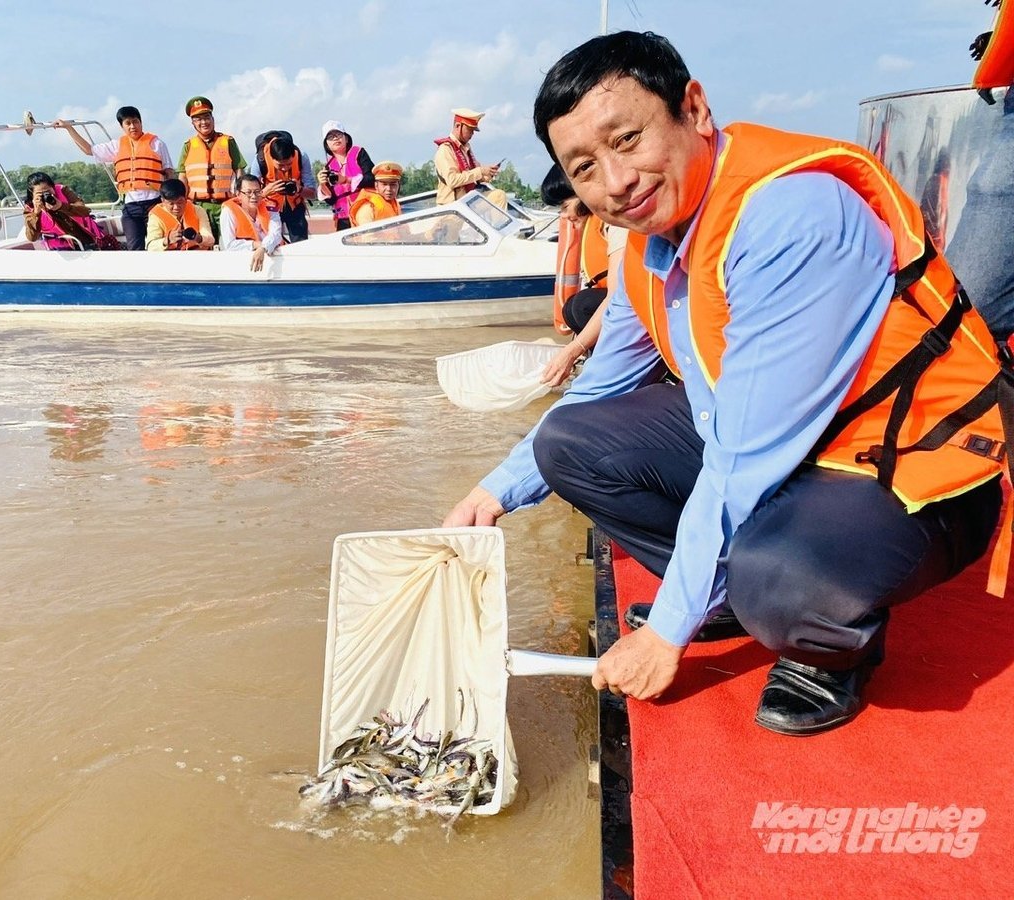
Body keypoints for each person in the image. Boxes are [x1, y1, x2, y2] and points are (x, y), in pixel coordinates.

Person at [443, 31, 1011, 737]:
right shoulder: (648, 246)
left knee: (774, 574)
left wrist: (667, 630)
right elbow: (597, 392)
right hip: (791, 450)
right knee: (569, 443)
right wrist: (491, 492)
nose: (615, 182)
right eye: (585, 168)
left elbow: (743, 460)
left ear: (695, 110)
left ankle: (828, 650)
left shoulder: (787, 218)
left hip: (909, 467)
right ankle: (725, 596)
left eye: (627, 140)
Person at [540, 163, 618, 386]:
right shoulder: (590, 224)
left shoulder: (612, 224)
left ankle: (611, 368)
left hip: (630, 311)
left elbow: (619, 296)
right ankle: (597, 360)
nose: (564, 216)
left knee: (583, 305)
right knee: (572, 309)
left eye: (565, 206)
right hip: (611, 308)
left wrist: (573, 350)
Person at [56, 106, 175, 250]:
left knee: (159, 245)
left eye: (135, 122)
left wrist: (171, 200)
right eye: (128, 123)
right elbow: (88, 150)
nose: (133, 126)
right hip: (132, 206)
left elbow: (169, 173)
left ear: (141, 122)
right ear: (122, 126)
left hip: (155, 203)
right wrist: (69, 128)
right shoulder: (117, 146)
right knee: (134, 248)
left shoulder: (157, 144)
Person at [177, 96, 248, 243]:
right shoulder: (188, 145)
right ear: (193, 123)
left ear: (212, 118)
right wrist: (181, 202)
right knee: (201, 244)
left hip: (225, 204)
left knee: (231, 243)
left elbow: (240, 171)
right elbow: (183, 178)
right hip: (198, 206)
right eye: (198, 119)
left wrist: (242, 198)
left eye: (206, 117)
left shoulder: (228, 141)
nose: (204, 122)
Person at [250, 130, 317, 243]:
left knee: (301, 246)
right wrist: (266, 191)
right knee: (272, 245)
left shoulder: (302, 156)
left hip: (295, 207)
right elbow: (250, 198)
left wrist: (299, 189)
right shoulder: (259, 160)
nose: (285, 168)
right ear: (271, 158)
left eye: (289, 164)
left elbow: (313, 194)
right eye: (280, 165)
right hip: (269, 208)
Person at [433, 107, 504, 207]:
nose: (472, 134)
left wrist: (488, 173)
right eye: (469, 130)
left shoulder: (466, 149)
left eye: (473, 131)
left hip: (468, 203)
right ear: (458, 126)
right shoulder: (445, 149)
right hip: (453, 208)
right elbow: (452, 180)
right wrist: (480, 171)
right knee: (498, 196)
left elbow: (475, 175)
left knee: (498, 196)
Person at [22, 172, 108, 250]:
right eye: (40, 194)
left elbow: (85, 211)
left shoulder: (63, 191)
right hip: (64, 251)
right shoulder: (30, 208)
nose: (46, 196)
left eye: (48, 192)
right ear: (32, 194)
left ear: (53, 186)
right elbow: (32, 237)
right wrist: (36, 213)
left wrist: (62, 206)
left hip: (88, 239)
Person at [316, 120, 375, 230]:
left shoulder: (359, 153)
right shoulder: (328, 167)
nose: (335, 138)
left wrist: (346, 180)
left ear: (346, 138)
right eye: (330, 137)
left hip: (364, 211)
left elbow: (372, 179)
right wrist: (323, 185)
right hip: (343, 218)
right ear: (327, 144)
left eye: (338, 135)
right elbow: (331, 200)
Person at [219, 174, 283, 271]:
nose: (254, 196)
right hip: (241, 262)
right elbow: (230, 245)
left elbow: (276, 234)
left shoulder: (270, 209)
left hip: (273, 256)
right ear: (238, 194)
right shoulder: (229, 212)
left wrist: (263, 248)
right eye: (248, 192)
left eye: (257, 192)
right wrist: (255, 245)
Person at [146, 179, 216, 251]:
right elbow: (151, 247)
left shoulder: (198, 210)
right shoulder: (156, 216)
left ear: (185, 199)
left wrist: (197, 238)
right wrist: (167, 240)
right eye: (171, 203)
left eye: (180, 202)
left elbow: (210, 240)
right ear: (163, 201)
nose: (176, 207)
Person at [348, 161, 404, 226]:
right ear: (376, 186)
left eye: (393, 184)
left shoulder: (394, 203)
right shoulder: (367, 208)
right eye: (384, 184)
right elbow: (367, 235)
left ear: (398, 186)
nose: (388, 189)